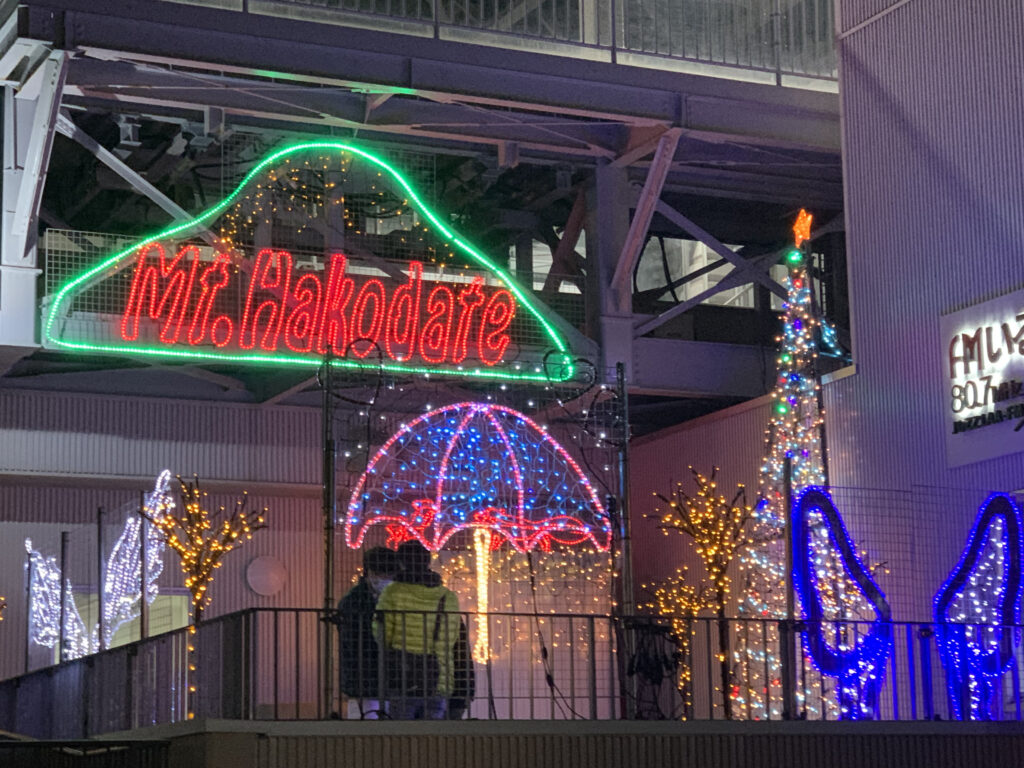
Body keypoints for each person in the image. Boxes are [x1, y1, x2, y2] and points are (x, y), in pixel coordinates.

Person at [374, 540, 462, 719]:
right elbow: (451, 636)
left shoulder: (393, 592)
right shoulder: (447, 596)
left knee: (402, 730)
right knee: (433, 730)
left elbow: (382, 633)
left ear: (401, 563)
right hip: (438, 675)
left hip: (403, 675)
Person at [335, 546, 398, 719]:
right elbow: (352, 643)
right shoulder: (354, 601)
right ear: (369, 572)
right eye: (380, 573)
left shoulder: (355, 599)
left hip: (379, 678)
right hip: (364, 679)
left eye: (388, 574)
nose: (385, 578)